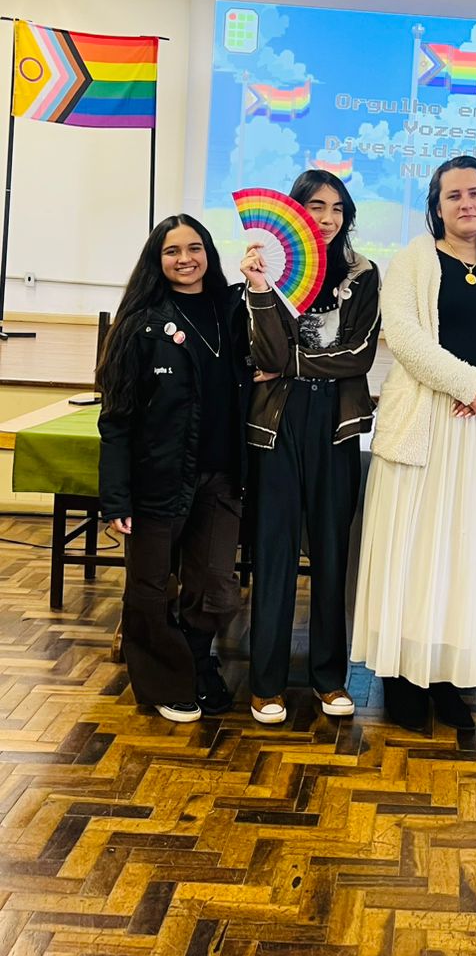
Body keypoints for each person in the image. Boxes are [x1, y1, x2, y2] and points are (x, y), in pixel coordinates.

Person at [351, 156, 476, 732]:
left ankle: (446, 677)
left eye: (475, 193)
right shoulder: (413, 259)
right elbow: (405, 337)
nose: (466, 203)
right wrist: (470, 384)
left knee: (461, 557)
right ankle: (402, 678)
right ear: (436, 206)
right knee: (409, 554)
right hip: (421, 427)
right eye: (453, 195)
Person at [98, 214, 258, 723]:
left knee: (215, 587)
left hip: (222, 478)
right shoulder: (140, 325)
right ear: (157, 259)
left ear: (208, 252)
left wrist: (259, 284)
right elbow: (116, 419)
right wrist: (116, 497)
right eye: (172, 251)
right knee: (148, 589)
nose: (185, 259)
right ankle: (166, 682)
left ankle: (193, 659)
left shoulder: (233, 309)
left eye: (194, 247)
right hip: (158, 480)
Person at [242, 169, 380, 725]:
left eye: (337, 208)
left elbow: (359, 355)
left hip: (335, 423)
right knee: (273, 554)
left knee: (331, 552)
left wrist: (291, 364)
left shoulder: (363, 273)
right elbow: (265, 354)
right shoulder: (270, 269)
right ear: (295, 211)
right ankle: (265, 684)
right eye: (316, 206)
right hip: (275, 425)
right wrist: (258, 290)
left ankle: (329, 678)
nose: (327, 218)